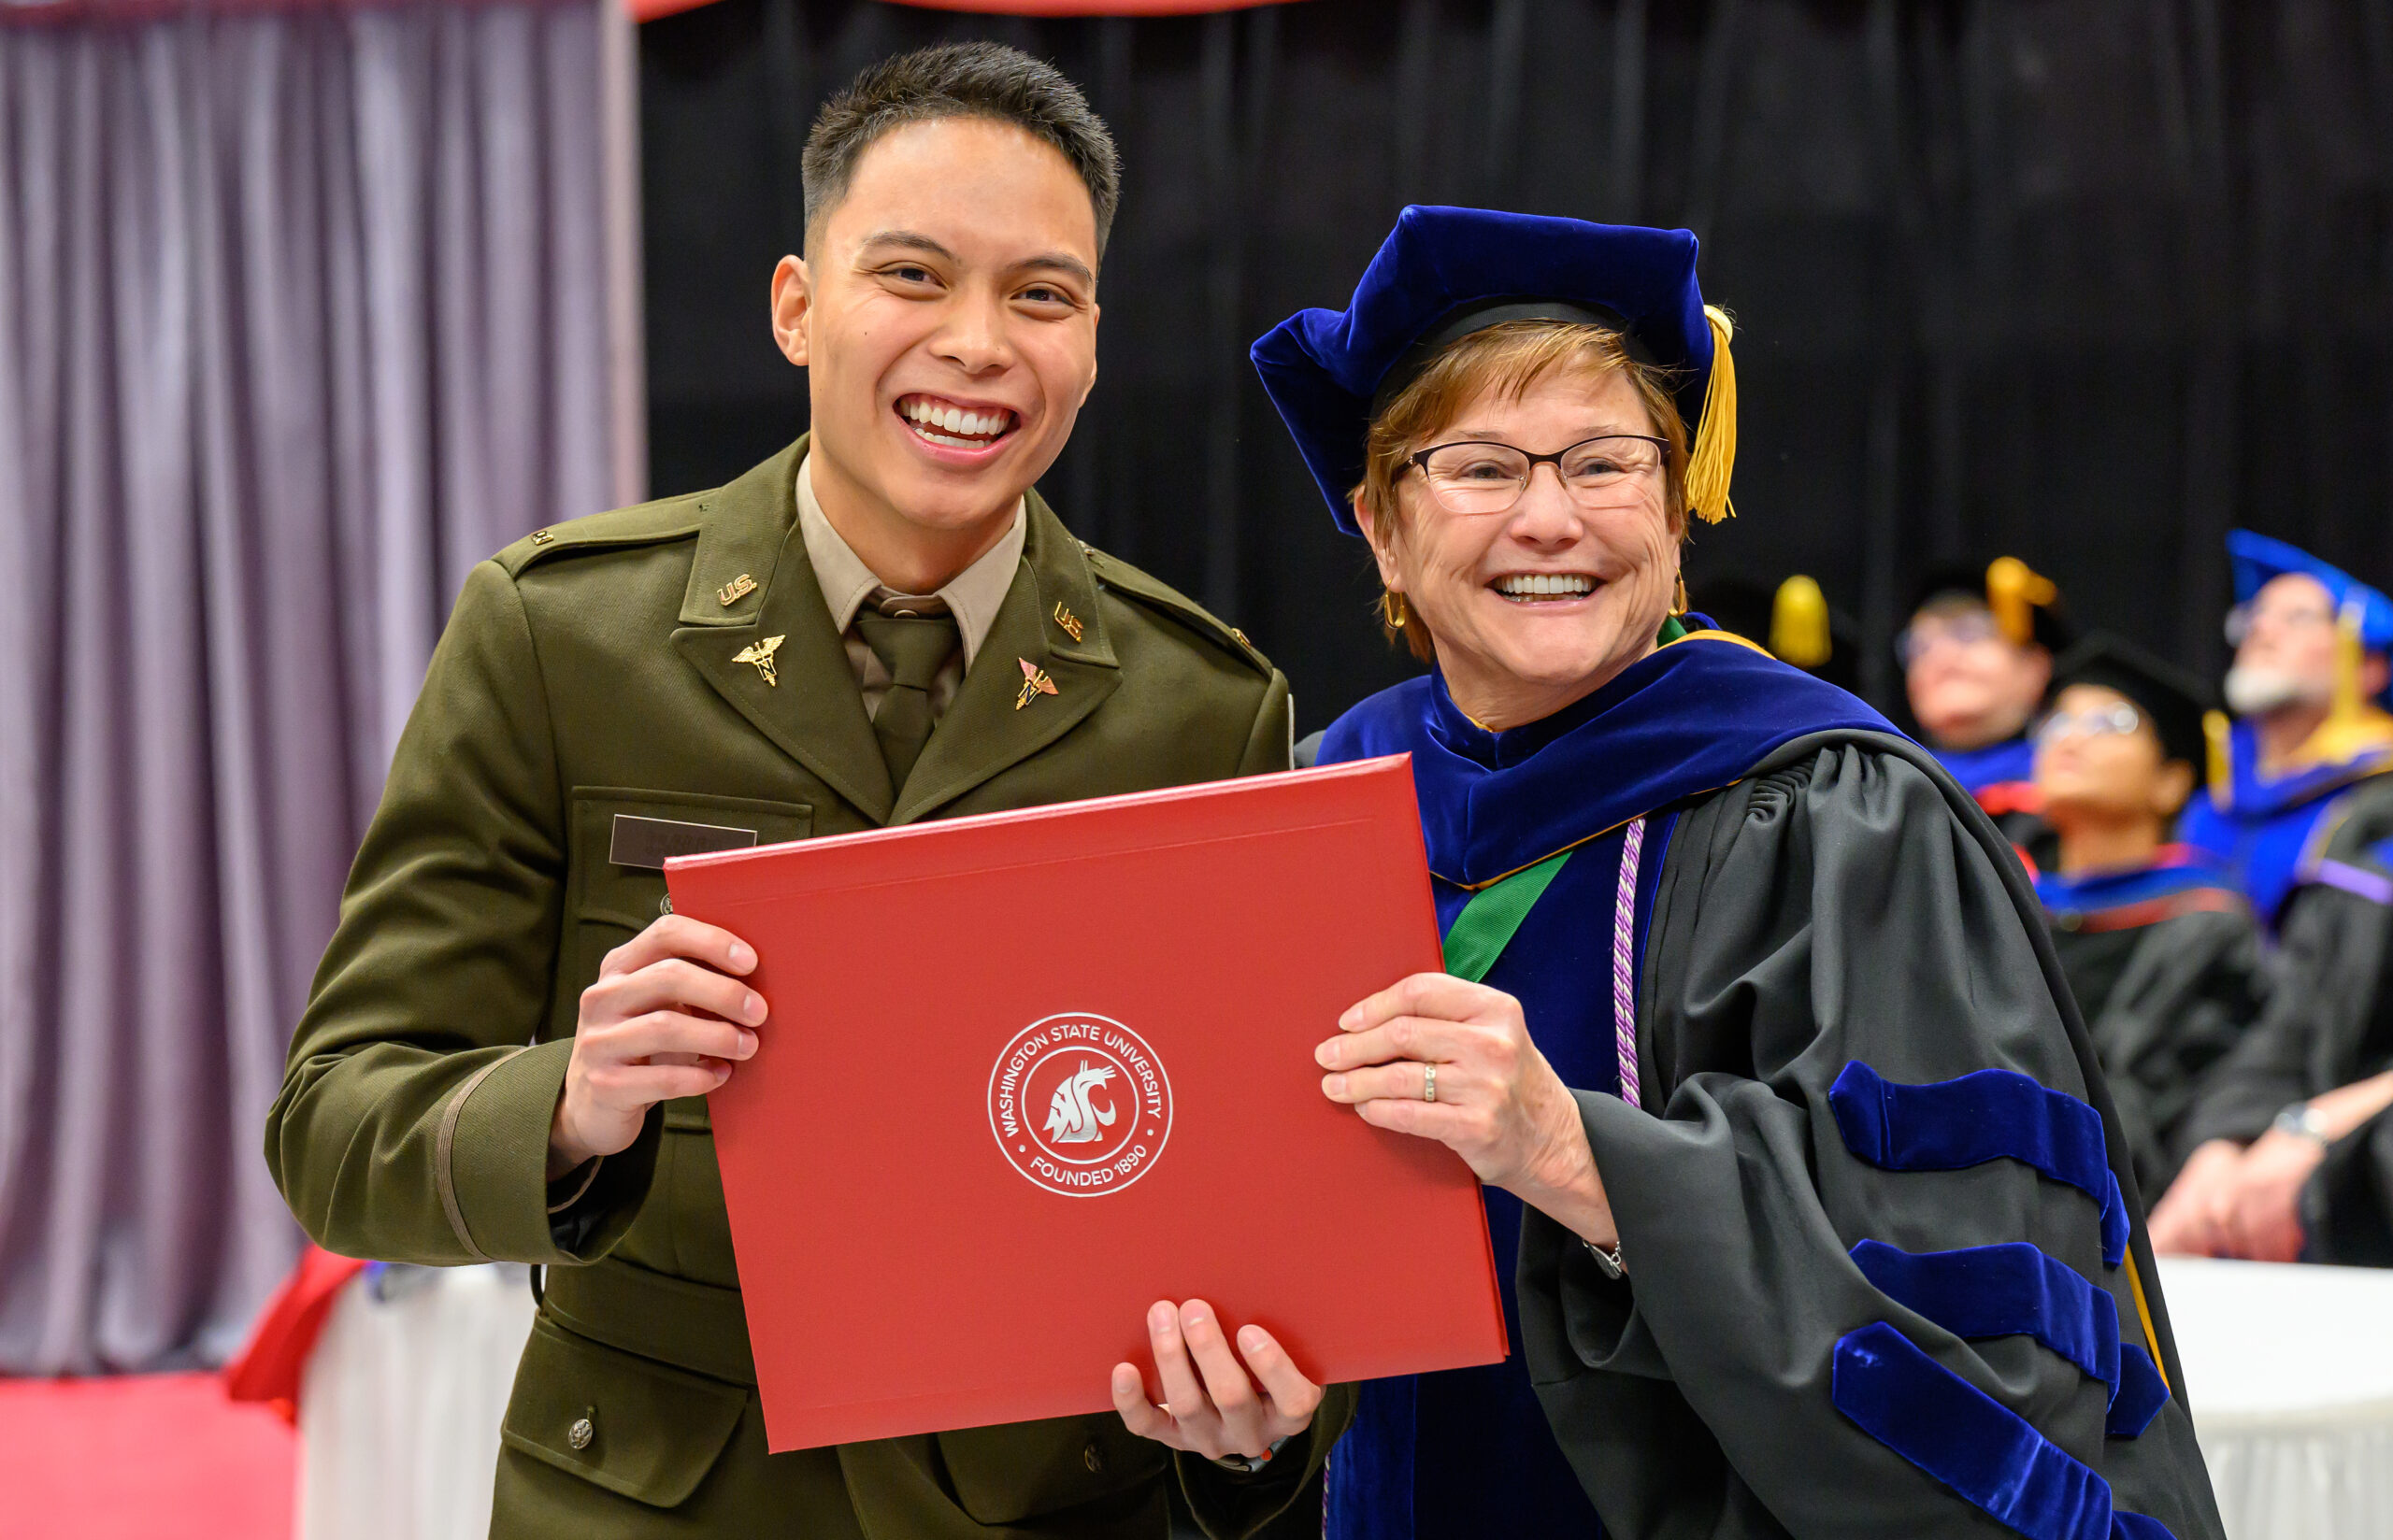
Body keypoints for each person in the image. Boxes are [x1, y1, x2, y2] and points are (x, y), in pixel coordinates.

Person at [266, 44, 1343, 1538]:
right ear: (796, 305)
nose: (978, 344)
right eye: (912, 275)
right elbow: (335, 1129)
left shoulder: (1204, 710)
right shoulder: (562, 635)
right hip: (651, 1501)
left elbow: (1263, 1216)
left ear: (1093, 341)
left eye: (1040, 295)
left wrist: (1254, 1430)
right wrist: (573, 1108)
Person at [1251, 205, 2221, 1539]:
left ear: (1676, 495)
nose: (1550, 519)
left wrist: (1575, 1156)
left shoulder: (1841, 814)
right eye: (1478, 465)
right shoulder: (1302, 819)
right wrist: (1244, 1434)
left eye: (1604, 462)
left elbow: (1977, 1335)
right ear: (1379, 522)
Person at [2029, 635, 2263, 1197]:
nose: (2071, 740)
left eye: (2110, 722)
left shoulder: (2207, 926)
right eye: (2057, 722)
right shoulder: (2006, 906)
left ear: (2171, 781)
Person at [2176, 530, 2393, 934]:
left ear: (2368, 667)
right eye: (2254, 615)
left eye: (2297, 618)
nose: (2262, 630)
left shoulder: (2381, 801)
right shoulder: (2210, 804)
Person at [1900, 558, 2073, 862]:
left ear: (2035, 667)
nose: (1941, 655)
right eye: (1920, 647)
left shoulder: (2072, 792)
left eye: (1969, 634)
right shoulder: (1883, 790)